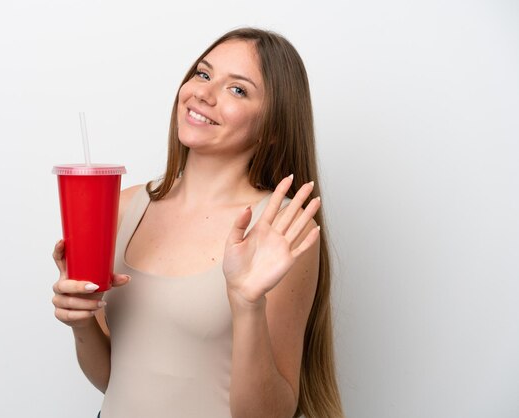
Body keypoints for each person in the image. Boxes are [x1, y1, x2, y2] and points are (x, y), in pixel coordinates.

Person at [52, 27, 344, 418]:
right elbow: (115, 380)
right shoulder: (123, 207)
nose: (203, 94)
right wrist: (82, 320)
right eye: (203, 74)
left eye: (237, 89)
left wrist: (247, 304)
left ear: (273, 129)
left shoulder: (283, 229)